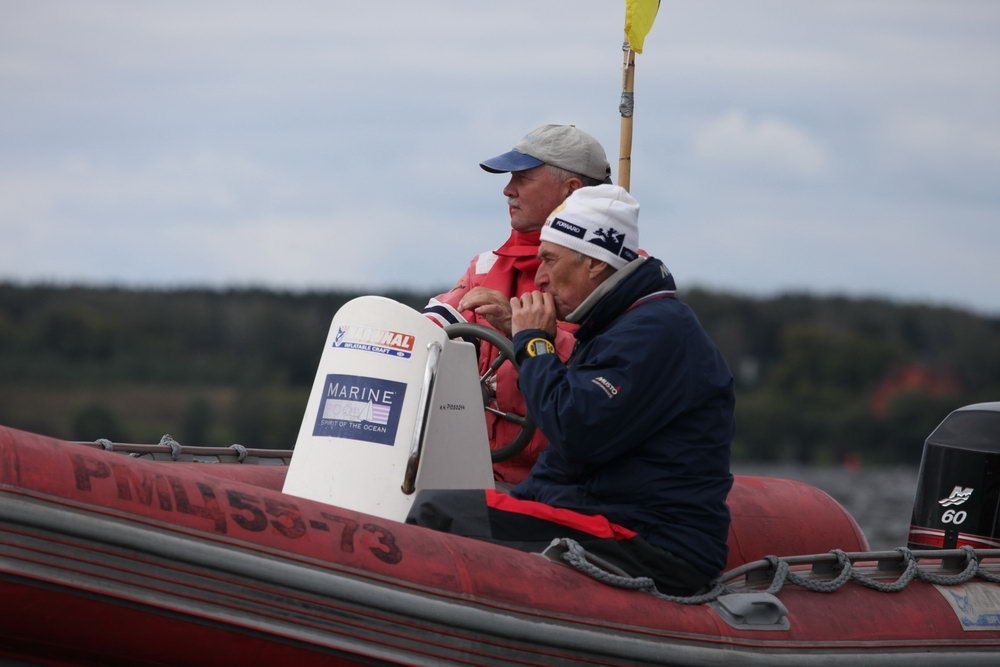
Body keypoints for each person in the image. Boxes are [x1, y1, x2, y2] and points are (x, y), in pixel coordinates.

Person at [408, 184, 735, 595]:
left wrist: (534, 344)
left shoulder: (654, 332)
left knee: (439, 510)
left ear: (594, 263)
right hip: (614, 515)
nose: (539, 278)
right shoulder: (623, 325)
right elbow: (575, 444)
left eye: (549, 259)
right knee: (464, 502)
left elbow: (575, 429)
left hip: (649, 539)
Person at [422, 124, 613, 485]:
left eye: (522, 178)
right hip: (485, 478)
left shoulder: (613, 277)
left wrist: (529, 333)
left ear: (571, 190)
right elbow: (431, 327)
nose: (507, 190)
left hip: (570, 489)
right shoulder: (485, 268)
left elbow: (611, 378)